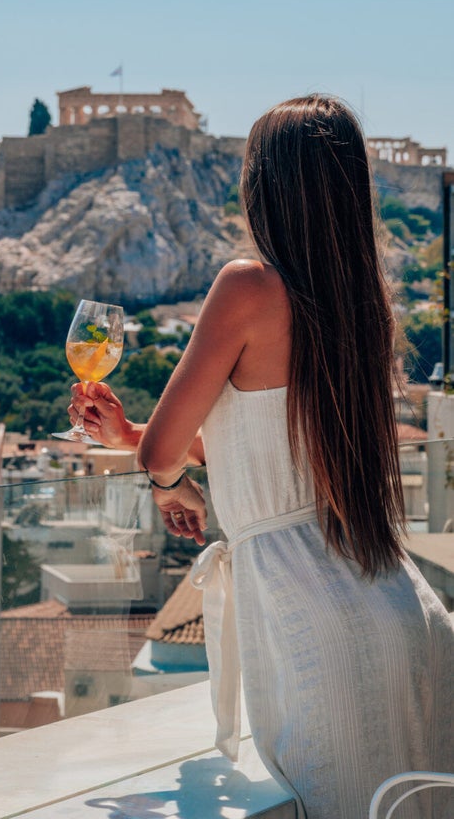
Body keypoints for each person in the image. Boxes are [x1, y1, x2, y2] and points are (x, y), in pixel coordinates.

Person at [69, 95, 454, 819]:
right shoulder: (358, 300)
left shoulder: (246, 285)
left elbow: (162, 457)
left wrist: (165, 474)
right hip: (398, 607)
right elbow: (276, 450)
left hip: (309, 615)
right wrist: (138, 442)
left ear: (262, 185)